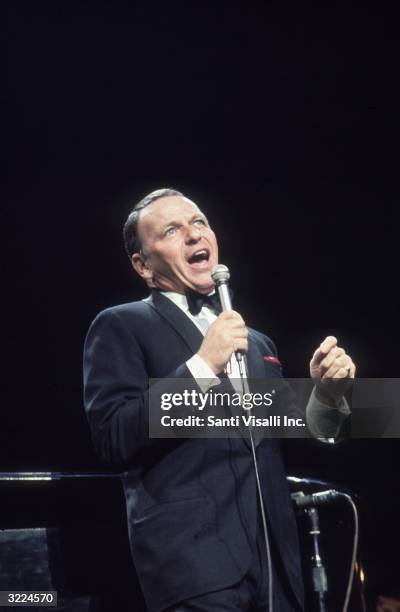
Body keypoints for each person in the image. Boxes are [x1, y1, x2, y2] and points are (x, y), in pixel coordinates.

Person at [83, 188, 356, 612]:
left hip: (277, 566)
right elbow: (114, 437)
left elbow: (295, 437)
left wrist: (326, 395)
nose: (194, 235)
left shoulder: (256, 341)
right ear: (143, 266)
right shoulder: (122, 324)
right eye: (172, 230)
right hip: (193, 565)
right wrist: (202, 366)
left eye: (199, 223)